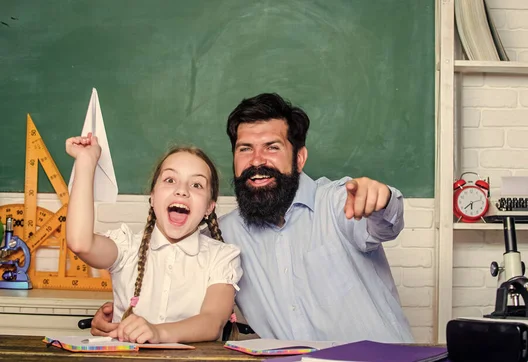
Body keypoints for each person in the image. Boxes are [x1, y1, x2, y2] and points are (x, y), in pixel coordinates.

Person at [89, 93, 414, 343]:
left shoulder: (339, 202)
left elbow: (385, 224)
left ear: (299, 157)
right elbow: (172, 267)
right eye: (245, 149)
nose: (257, 160)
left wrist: (382, 200)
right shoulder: (224, 237)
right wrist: (122, 313)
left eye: (272, 147)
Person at [66, 133, 242, 343]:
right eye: (170, 180)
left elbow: (212, 322)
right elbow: (80, 243)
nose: (181, 191)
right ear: (152, 196)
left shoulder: (221, 256)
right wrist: (86, 161)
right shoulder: (127, 247)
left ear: (209, 207)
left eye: (196, 185)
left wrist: (158, 332)